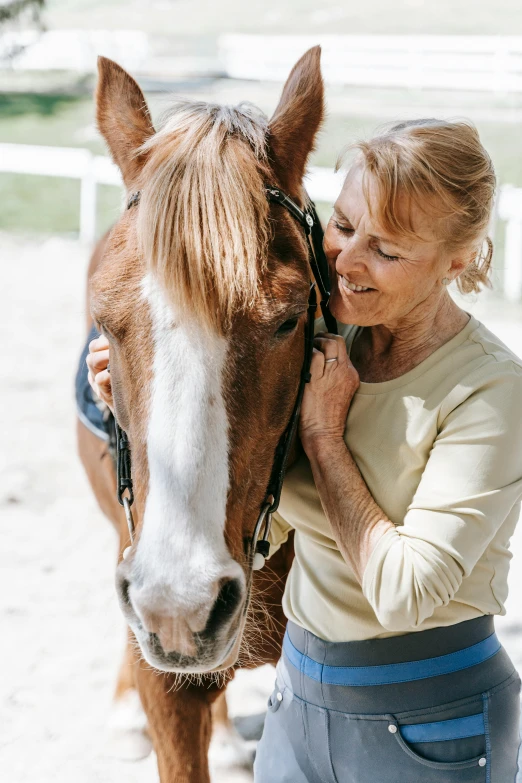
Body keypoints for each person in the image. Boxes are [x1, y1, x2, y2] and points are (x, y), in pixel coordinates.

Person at [87, 119, 522, 782]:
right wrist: (150, 406)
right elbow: (276, 531)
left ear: (455, 262)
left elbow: (406, 593)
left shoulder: (491, 388)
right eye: (344, 225)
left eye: (387, 249)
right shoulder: (327, 351)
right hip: (301, 705)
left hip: (432, 715)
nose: (346, 261)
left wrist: (321, 438)